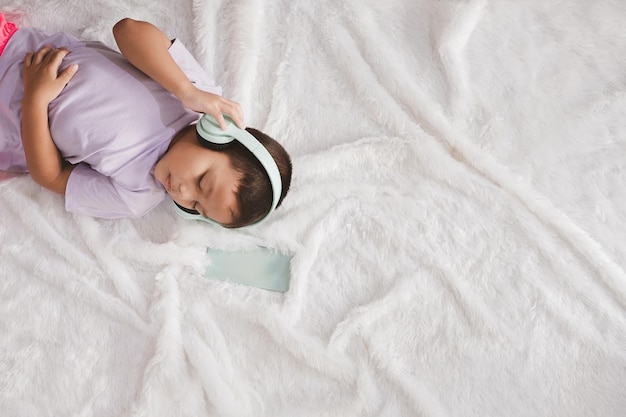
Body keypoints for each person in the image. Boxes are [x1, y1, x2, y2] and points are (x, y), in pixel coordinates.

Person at [0, 15, 292, 228]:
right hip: (13, 49)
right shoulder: (197, 97)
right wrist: (185, 90)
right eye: (202, 181)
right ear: (218, 134)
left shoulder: (135, 195)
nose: (182, 193)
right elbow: (127, 30)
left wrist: (36, 100)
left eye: (196, 207)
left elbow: (50, 177)